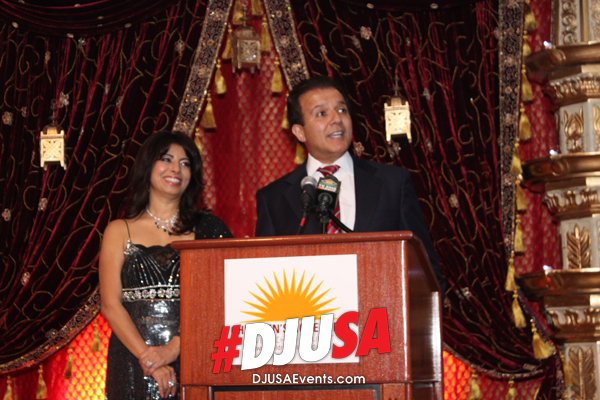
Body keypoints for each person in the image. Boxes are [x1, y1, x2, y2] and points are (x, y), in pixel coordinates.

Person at [255, 76, 445, 293]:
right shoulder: (274, 199)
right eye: (322, 113)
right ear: (300, 132)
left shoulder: (393, 183)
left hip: (380, 310)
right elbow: (265, 279)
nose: (337, 119)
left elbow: (425, 271)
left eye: (342, 110)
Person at [100, 131, 233, 399]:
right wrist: (150, 359)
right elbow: (110, 305)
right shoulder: (118, 230)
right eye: (167, 159)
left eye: (185, 163)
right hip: (132, 360)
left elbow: (226, 298)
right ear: (148, 165)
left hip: (196, 355)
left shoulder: (209, 229)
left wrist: (174, 348)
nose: (176, 169)